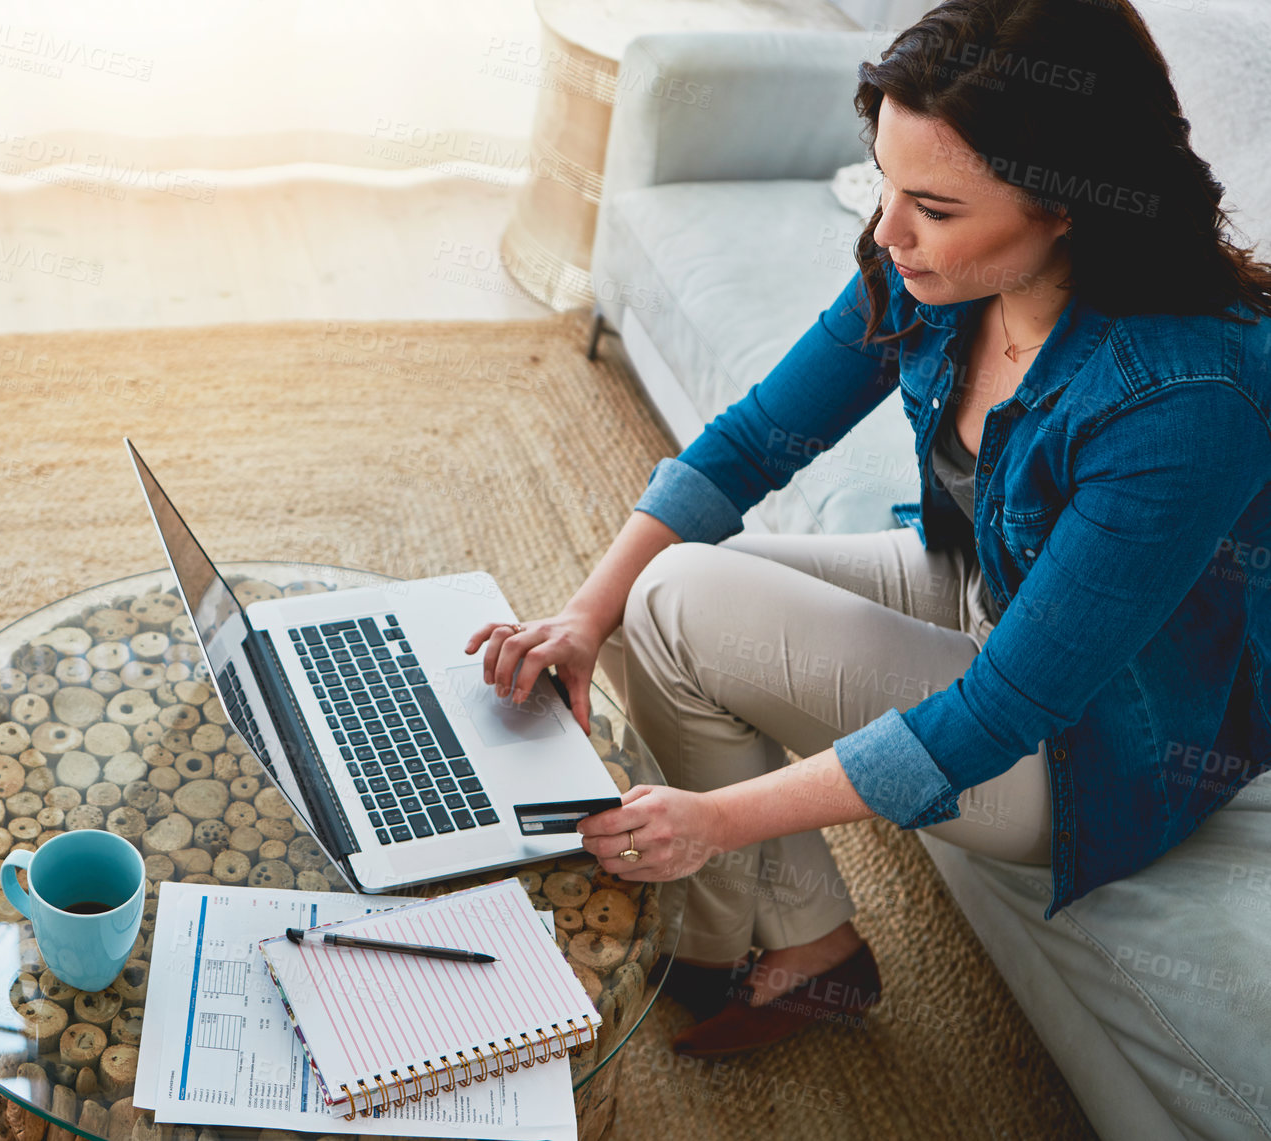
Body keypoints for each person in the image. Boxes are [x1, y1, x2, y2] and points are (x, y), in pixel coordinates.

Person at [466, 0, 1271, 1057]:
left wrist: (717, 818)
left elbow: (1001, 712)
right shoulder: (939, 276)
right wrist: (578, 615)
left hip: (1094, 744)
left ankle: (707, 947)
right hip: (996, 587)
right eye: (884, 182)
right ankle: (807, 947)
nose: (886, 231)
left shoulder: (1185, 399)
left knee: (682, 603)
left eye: (931, 205)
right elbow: (755, 440)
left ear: (1067, 203)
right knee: (653, 596)